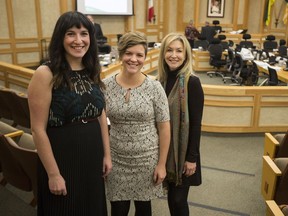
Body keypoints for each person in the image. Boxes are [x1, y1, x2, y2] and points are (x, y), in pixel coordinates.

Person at [27, 11, 112, 216]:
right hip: (62, 157)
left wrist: (107, 155)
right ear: (60, 38)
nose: (78, 40)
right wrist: (54, 174)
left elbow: (100, 115)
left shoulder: (91, 69)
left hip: (92, 155)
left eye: (84, 33)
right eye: (71, 34)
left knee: (92, 208)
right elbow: (37, 129)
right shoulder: (45, 73)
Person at [103, 31, 171, 216]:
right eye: (129, 53)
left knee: (144, 210)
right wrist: (106, 156)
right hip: (116, 159)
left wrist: (161, 164)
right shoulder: (105, 86)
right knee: (118, 209)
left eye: (139, 55)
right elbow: (100, 124)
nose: (134, 59)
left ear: (145, 57)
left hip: (147, 160)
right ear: (120, 54)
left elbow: (164, 128)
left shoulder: (155, 88)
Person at [157, 32, 204, 216]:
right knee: (171, 199)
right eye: (169, 50)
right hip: (165, 152)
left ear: (186, 55)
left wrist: (192, 158)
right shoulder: (160, 81)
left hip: (184, 153)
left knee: (178, 200)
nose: (174, 55)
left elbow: (196, 125)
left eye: (179, 51)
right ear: (163, 53)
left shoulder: (192, 82)